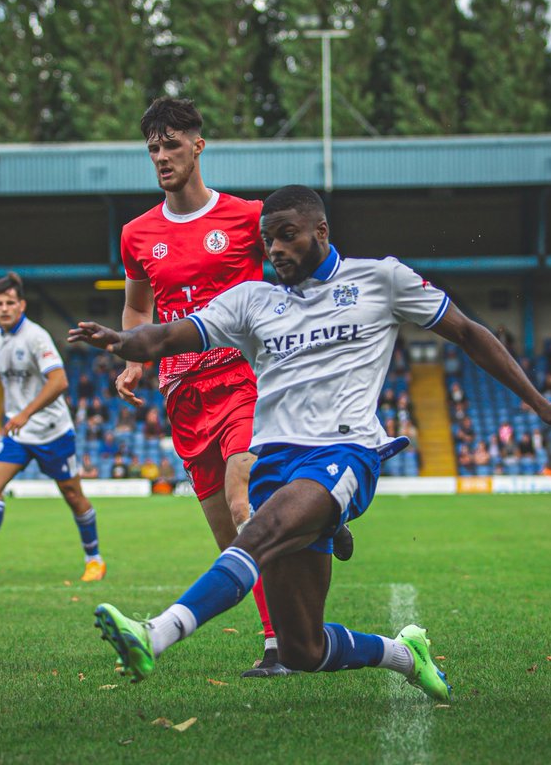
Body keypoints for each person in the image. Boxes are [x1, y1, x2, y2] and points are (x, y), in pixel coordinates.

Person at [69, 185, 551, 692]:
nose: (275, 250)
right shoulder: (252, 301)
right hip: (276, 464)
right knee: (303, 649)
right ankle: (404, 654)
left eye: (288, 236)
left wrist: (539, 403)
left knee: (256, 531)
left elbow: (469, 332)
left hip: (344, 454)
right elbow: (164, 335)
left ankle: (155, 634)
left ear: (321, 231)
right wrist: (121, 341)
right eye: (268, 240)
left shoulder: (380, 278)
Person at [115, 97, 353, 675]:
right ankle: (279, 645)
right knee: (235, 540)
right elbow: (136, 308)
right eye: (153, 147)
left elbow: (299, 261)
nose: (162, 156)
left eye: (172, 144)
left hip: (244, 378)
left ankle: (318, 516)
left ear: (198, 145)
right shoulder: (137, 234)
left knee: (244, 490)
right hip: (183, 397)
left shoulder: (247, 217)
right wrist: (133, 361)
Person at [0, 272, 106, 583]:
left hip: (53, 431)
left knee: (72, 494)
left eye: (10, 303)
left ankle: (94, 559)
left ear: (22, 305)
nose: (4, 308)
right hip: (17, 433)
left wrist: (26, 413)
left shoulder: (36, 337)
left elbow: (59, 381)